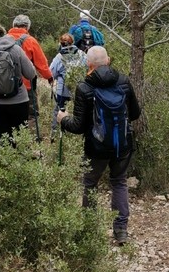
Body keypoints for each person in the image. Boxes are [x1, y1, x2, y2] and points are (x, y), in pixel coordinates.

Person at [57, 45, 141, 244]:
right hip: (122, 144)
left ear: (89, 64)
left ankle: (89, 229)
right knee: (119, 182)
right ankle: (120, 231)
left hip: (96, 147)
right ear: (108, 60)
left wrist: (63, 119)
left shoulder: (85, 88)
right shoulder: (124, 82)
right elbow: (135, 114)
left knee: (90, 184)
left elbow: (78, 126)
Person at [0, 23, 36, 144]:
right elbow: (30, 74)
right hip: (19, 101)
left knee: (2, 138)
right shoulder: (17, 50)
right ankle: (21, 160)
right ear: (4, 34)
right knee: (20, 137)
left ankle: (4, 162)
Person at [7, 14, 54, 136]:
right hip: (26, 86)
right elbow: (41, 64)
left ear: (13, 25)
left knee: (10, 114)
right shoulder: (30, 40)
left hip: (4, 86)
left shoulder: (3, 39)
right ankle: (31, 144)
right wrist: (49, 77)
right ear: (27, 27)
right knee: (31, 115)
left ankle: (10, 143)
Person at [48, 33, 87, 139]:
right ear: (73, 42)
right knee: (79, 112)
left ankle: (56, 135)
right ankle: (76, 136)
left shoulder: (59, 56)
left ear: (61, 43)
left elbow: (51, 72)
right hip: (79, 90)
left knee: (59, 110)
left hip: (63, 91)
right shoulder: (82, 54)